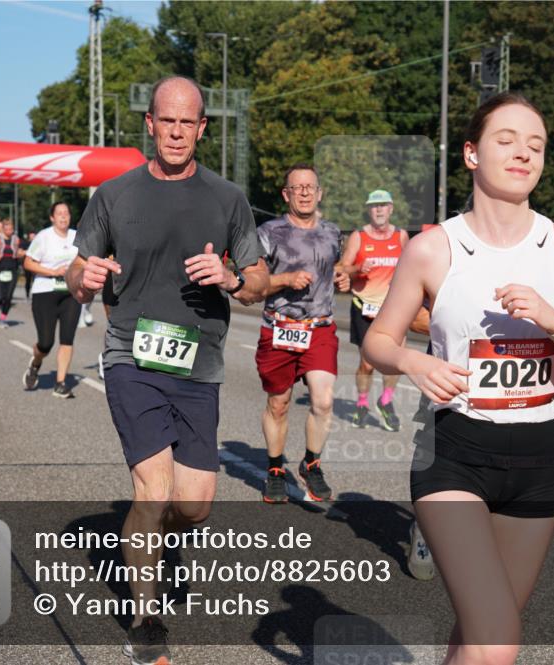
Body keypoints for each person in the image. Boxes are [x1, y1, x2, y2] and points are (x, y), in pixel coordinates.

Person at [363, 92, 554, 663]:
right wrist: (415, 362)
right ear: (472, 154)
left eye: (536, 145)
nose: (524, 153)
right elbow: (379, 339)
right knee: (499, 641)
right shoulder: (433, 248)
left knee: (478, 639)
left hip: (538, 464)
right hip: (454, 456)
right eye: (507, 140)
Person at [67, 75, 269, 665]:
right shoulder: (113, 194)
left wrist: (233, 279)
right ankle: (147, 618)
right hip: (131, 354)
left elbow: (257, 280)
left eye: (190, 122)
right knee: (152, 490)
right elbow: (76, 275)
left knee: (196, 505)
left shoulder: (228, 198)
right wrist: (87, 278)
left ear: (203, 127)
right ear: (150, 124)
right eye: (167, 120)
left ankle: (149, 537)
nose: (178, 131)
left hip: (198, 363)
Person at [254, 164, 350, 504]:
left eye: (311, 187)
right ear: (287, 194)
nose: (306, 192)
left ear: (320, 193)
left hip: (319, 328)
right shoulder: (269, 232)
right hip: (279, 328)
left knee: (323, 401)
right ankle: (275, 468)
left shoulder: (333, 233)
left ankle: (311, 463)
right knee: (278, 404)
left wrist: (343, 280)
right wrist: (284, 280)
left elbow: (335, 270)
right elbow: (252, 282)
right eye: (298, 187)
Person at [339, 189, 409, 432]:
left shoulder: (401, 237)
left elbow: (411, 269)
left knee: (394, 362)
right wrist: (358, 267)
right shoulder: (359, 237)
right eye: (374, 206)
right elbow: (342, 268)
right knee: (367, 364)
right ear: (369, 210)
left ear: (391, 208)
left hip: (392, 309)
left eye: (383, 205)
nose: (378, 210)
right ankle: (361, 403)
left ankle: (386, 401)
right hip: (364, 306)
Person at [22, 202, 82, 399]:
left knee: (67, 338)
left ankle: (60, 382)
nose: (63, 217)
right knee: (46, 343)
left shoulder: (76, 236)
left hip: (70, 293)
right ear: (52, 218)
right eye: (59, 214)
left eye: (66, 213)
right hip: (45, 291)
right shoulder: (44, 236)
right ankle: (36, 363)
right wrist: (53, 271)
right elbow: (28, 262)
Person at [0, 219, 26, 328]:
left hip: (12, 270)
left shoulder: (16, 240)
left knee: (8, 297)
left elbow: (22, 251)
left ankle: (3, 319)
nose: (8, 231)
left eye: (10, 229)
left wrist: (21, 254)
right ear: (2, 229)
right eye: (6, 229)